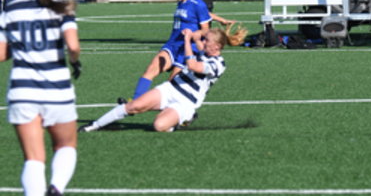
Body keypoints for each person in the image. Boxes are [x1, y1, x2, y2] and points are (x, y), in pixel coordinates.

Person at [0, 0, 81, 196]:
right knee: (66, 146)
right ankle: (56, 187)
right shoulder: (61, 7)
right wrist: (75, 62)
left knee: (34, 158)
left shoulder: (10, 8)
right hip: (56, 89)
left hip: (23, 91)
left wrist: (21, 47)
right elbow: (73, 46)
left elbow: (1, 53)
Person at [80, 24, 247, 134]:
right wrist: (194, 35)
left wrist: (187, 40)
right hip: (171, 89)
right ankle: (94, 125)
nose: (203, 42)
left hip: (186, 102)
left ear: (216, 46)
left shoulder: (218, 64)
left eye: (207, 40)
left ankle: (183, 118)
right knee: (134, 106)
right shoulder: (205, 50)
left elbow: (192, 65)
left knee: (159, 126)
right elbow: (198, 39)